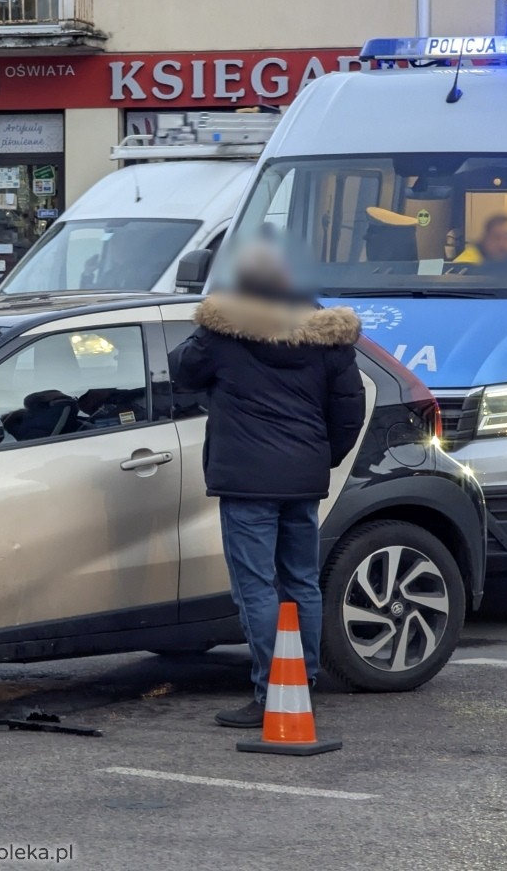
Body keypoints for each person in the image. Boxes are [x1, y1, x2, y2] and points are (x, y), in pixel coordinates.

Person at [172, 242, 365, 728]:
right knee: (301, 580)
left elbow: (182, 372)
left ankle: (270, 690)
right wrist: (321, 458)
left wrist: (210, 320)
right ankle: (303, 683)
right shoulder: (327, 336)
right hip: (301, 480)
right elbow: (349, 410)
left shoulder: (223, 332)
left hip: (247, 481)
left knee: (255, 586)